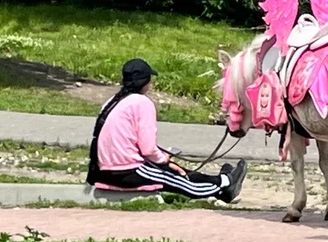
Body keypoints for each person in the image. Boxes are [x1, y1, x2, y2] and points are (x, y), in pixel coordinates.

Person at [87, 58, 246, 202]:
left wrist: (164, 160)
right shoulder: (142, 103)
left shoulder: (112, 101)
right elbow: (148, 149)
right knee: (178, 180)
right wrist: (164, 159)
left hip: (104, 169)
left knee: (175, 171)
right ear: (146, 81)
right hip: (126, 170)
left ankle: (222, 180)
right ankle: (224, 186)